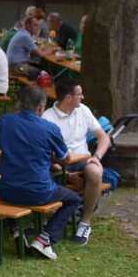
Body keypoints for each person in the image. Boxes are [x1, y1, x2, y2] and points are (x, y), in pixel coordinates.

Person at [0, 84, 81, 260]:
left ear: (20, 103)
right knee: (73, 199)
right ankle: (45, 239)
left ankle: (16, 229)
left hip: (5, 190)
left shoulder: (5, 121)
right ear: (41, 107)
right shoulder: (50, 128)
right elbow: (65, 159)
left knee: (13, 191)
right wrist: (50, 156)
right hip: (39, 191)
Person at [41, 78, 111, 243]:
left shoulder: (83, 110)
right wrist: (64, 173)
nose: (83, 97)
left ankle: (85, 223)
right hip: (57, 164)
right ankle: (45, 222)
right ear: (68, 98)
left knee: (95, 171)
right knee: (44, 173)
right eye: (79, 94)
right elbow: (44, 153)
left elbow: (104, 137)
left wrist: (96, 157)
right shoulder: (47, 117)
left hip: (82, 160)